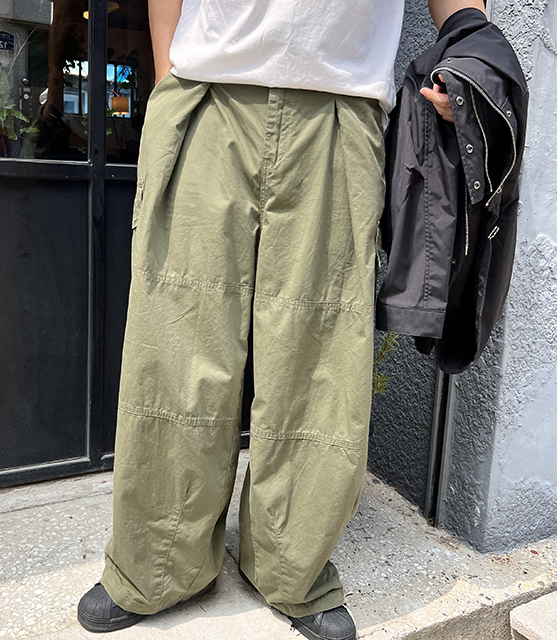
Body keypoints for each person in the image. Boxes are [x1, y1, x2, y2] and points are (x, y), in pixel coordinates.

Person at [78, 2, 484, 639]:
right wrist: (167, 78)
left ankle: (293, 568)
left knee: (319, 355)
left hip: (341, 106)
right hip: (208, 93)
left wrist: (469, 51)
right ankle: (158, 564)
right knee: (177, 341)